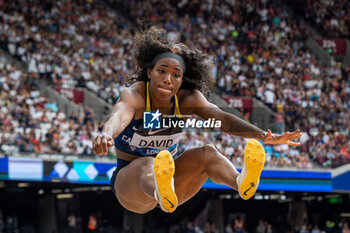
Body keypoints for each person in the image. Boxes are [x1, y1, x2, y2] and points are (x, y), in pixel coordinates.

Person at [92, 27, 302, 214]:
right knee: (148, 163)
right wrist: (106, 134)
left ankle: (241, 182)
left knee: (207, 152)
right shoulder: (135, 95)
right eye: (162, 71)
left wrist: (263, 136)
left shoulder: (187, 99)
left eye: (176, 75)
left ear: (182, 80)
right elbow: (119, 116)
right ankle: (160, 193)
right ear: (149, 72)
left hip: (173, 184)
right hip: (131, 186)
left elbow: (223, 119)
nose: (168, 78)